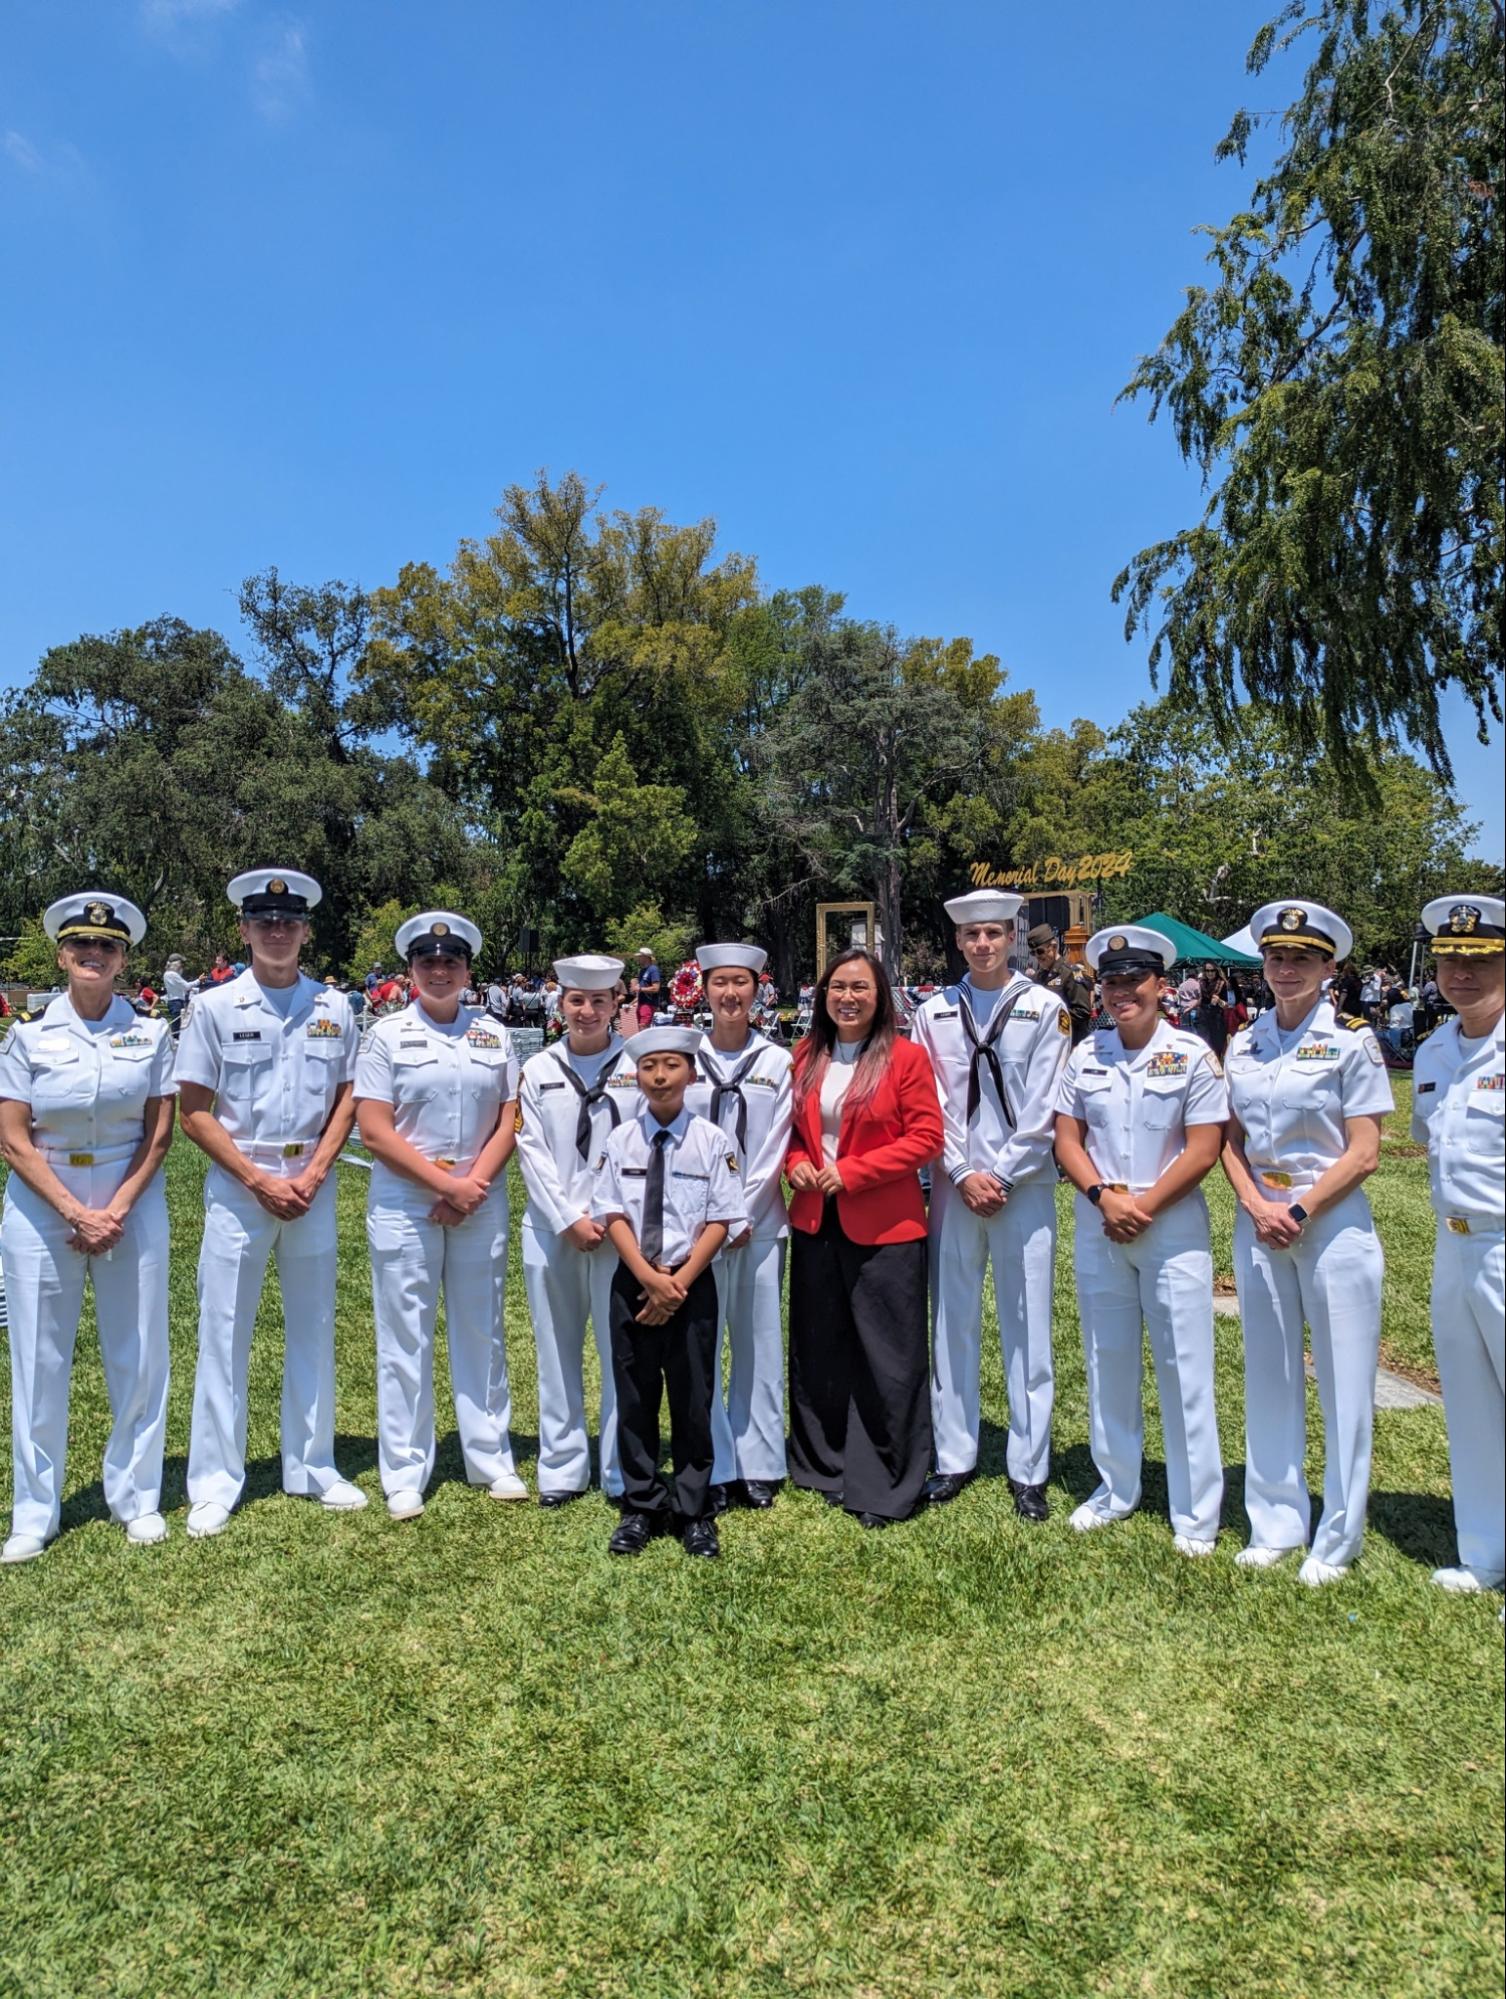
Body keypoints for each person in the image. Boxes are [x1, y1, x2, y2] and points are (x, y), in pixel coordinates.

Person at [175, 870, 367, 1538]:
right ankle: (215, 1481)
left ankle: (312, 1465)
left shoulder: (333, 1007)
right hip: (240, 1184)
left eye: (288, 922)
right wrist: (258, 1180)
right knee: (224, 1331)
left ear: (306, 930)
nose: (277, 931)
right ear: (244, 930)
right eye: (264, 921)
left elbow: (348, 1098)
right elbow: (192, 1111)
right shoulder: (214, 1007)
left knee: (313, 1325)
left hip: (311, 1181)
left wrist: (313, 1172)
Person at [1220, 901, 1393, 1585]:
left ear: (1329, 967)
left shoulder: (1353, 1040)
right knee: (1269, 1375)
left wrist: (1297, 1206)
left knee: (1346, 1385)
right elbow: (1227, 1139)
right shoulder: (1244, 1041)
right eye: (1277, 956)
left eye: (1302, 958)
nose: (1286, 968)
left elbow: (1367, 1150)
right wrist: (1257, 1203)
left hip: (1332, 1224)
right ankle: (1275, 1519)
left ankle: (1339, 1535)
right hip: (1260, 1222)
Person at [0, 894, 176, 1563]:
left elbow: (159, 1135)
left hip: (130, 1199)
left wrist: (117, 1207)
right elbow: (13, 1138)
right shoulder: (29, 1035)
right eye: (82, 946)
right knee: (39, 1361)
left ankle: (137, 1494)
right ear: (62, 955)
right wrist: (75, 1211)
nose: (94, 956)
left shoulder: (152, 1033)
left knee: (138, 1352)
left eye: (106, 947)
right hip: (43, 1204)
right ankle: (33, 1510)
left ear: (123, 957)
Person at [1054, 926, 1227, 1555]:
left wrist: (1142, 1207)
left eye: (1134, 980)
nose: (1122, 991)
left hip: (1169, 1223)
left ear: (1160, 985)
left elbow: (1206, 1147)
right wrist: (1105, 1198)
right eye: (1112, 981)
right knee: (1108, 1360)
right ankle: (1116, 1488)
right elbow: (1066, 1138)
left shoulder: (1192, 1054)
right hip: (1101, 1218)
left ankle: (1195, 1511)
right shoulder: (1086, 1054)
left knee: (1184, 1367)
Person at [354, 911, 524, 1519]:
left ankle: (491, 1456)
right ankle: (404, 1470)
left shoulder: (495, 1033)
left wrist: (470, 1184)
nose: (440, 969)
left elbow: (510, 1117)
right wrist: (443, 1186)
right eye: (429, 961)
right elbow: (373, 1128)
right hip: (408, 1200)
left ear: (468, 969)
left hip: (478, 1193)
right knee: (405, 1335)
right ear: (411, 969)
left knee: (482, 1328)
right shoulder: (385, 1035)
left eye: (451, 961)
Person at [912, 891, 1072, 1519]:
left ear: (1012, 937)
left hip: (1023, 1185)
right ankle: (954, 1453)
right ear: (958, 942)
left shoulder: (1045, 1007)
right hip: (954, 1185)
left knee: (1026, 1322)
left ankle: (1028, 1467)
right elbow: (931, 1102)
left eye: (994, 934)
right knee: (952, 1317)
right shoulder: (934, 1013)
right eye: (971, 935)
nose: (982, 945)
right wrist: (959, 1169)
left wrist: (999, 1174)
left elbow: (1045, 1106)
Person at [785, 949, 943, 1527]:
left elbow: (926, 1137)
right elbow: (791, 1131)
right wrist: (796, 1162)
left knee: (888, 1355)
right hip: (814, 1220)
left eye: (861, 988)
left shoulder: (905, 1059)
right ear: (823, 994)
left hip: (885, 1224)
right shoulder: (805, 1054)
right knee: (819, 1347)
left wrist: (854, 1173)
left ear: (881, 999)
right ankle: (822, 1462)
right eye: (838, 987)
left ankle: (887, 1478)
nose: (847, 997)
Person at [591, 1025, 746, 1558]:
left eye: (672, 1066)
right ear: (636, 1076)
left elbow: (722, 1218)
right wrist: (648, 1279)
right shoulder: (620, 1140)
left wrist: (676, 1284)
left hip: (691, 1284)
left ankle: (694, 1509)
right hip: (633, 1281)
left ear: (692, 1074)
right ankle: (640, 1506)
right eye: (650, 1067)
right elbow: (611, 1213)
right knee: (634, 1396)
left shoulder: (711, 1141)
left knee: (693, 1397)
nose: (659, 1076)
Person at [516, 954, 641, 1508]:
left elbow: (640, 1151)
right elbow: (531, 1151)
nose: (587, 1011)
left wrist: (610, 1218)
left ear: (617, 1003)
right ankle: (562, 1466)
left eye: (599, 1000)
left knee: (622, 1352)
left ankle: (618, 1466)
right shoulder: (538, 1070)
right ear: (559, 1003)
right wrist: (567, 1217)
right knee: (556, 1350)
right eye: (575, 1000)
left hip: (621, 1232)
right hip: (551, 1229)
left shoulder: (640, 1067)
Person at [1412, 895, 1505, 1596]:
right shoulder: (1436, 1049)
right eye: (1450, 960)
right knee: (1470, 1404)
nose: (1460, 974)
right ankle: (1484, 1553)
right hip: (1454, 1242)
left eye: (1478, 961)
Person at [686, 941, 794, 1511]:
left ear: (759, 989)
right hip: (692, 1227)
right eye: (720, 982)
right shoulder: (683, 1057)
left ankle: (759, 1462)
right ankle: (712, 1460)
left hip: (758, 1223)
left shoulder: (777, 1062)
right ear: (704, 989)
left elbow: (776, 1145)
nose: (731, 993)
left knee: (757, 1341)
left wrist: (739, 1215)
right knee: (701, 1342)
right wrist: (710, 1219)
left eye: (741, 983)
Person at [1027, 921, 1093, 1044]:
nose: (1037, 956)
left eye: (1040, 951)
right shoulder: (1037, 978)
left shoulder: (1070, 974)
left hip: (1069, 1043)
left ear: (1054, 946)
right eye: (1033, 952)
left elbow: (1082, 1012)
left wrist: (1051, 1018)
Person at [163, 953, 192, 1036]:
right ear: (175, 963)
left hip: (177, 1002)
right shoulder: (172, 975)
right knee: (177, 1026)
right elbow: (186, 986)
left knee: (180, 1024)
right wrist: (198, 981)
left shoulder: (171, 974)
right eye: (181, 963)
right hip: (176, 1003)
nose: (182, 965)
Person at [633, 947, 661, 1029]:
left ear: (645, 957)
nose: (638, 958)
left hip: (649, 1004)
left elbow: (656, 988)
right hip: (641, 1003)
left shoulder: (653, 969)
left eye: (640, 956)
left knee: (643, 1027)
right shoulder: (642, 971)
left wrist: (641, 989)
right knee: (640, 1027)